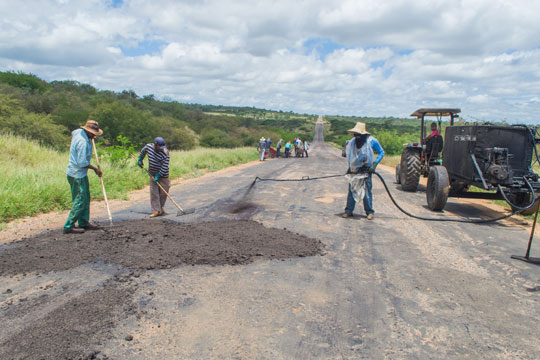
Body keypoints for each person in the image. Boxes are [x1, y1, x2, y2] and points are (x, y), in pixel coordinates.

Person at [63, 120, 104, 234]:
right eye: (93, 134)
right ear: (87, 131)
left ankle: (83, 222)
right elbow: (82, 163)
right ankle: (68, 226)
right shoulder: (82, 142)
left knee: (86, 197)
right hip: (77, 174)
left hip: (78, 174)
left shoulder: (78, 132)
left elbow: (74, 132)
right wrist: (95, 169)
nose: (94, 137)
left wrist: (90, 138)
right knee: (80, 200)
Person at [342, 122, 385, 220]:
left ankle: (369, 212)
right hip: (354, 170)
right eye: (355, 134)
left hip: (366, 170)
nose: (357, 137)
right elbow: (349, 156)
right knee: (352, 189)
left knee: (367, 191)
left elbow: (382, 152)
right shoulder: (352, 142)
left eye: (358, 135)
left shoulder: (372, 141)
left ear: (364, 134)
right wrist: (350, 167)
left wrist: (374, 165)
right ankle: (348, 211)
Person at [138, 137, 170, 217]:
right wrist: (140, 159)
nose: (161, 149)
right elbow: (143, 152)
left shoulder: (165, 152)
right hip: (152, 173)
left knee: (164, 192)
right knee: (154, 192)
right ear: (155, 145)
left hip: (163, 174)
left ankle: (161, 208)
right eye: (159, 147)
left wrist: (159, 175)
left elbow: (165, 166)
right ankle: (156, 210)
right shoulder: (148, 147)